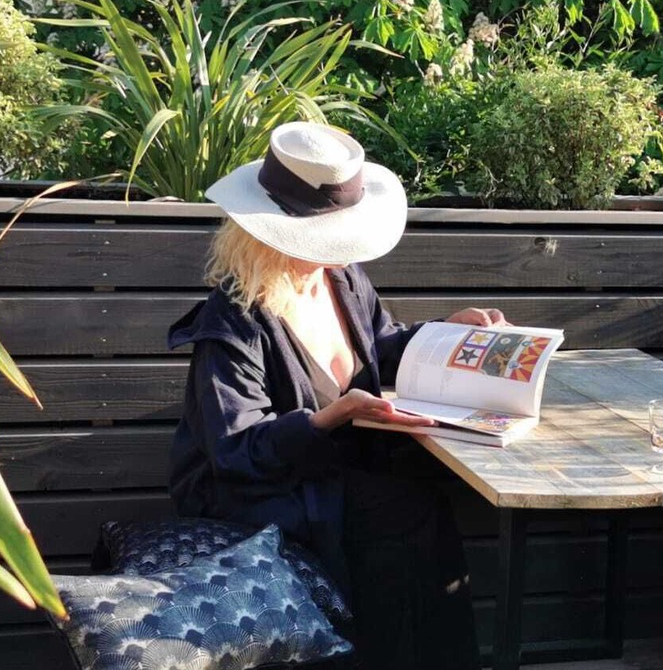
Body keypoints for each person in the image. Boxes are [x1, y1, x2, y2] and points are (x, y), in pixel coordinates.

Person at [167, 121, 501, 670]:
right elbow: (235, 452)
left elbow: (383, 345)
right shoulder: (234, 319)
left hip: (335, 469)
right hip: (255, 485)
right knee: (393, 521)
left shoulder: (340, 279)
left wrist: (448, 333)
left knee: (426, 503)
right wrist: (326, 419)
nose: (337, 252)